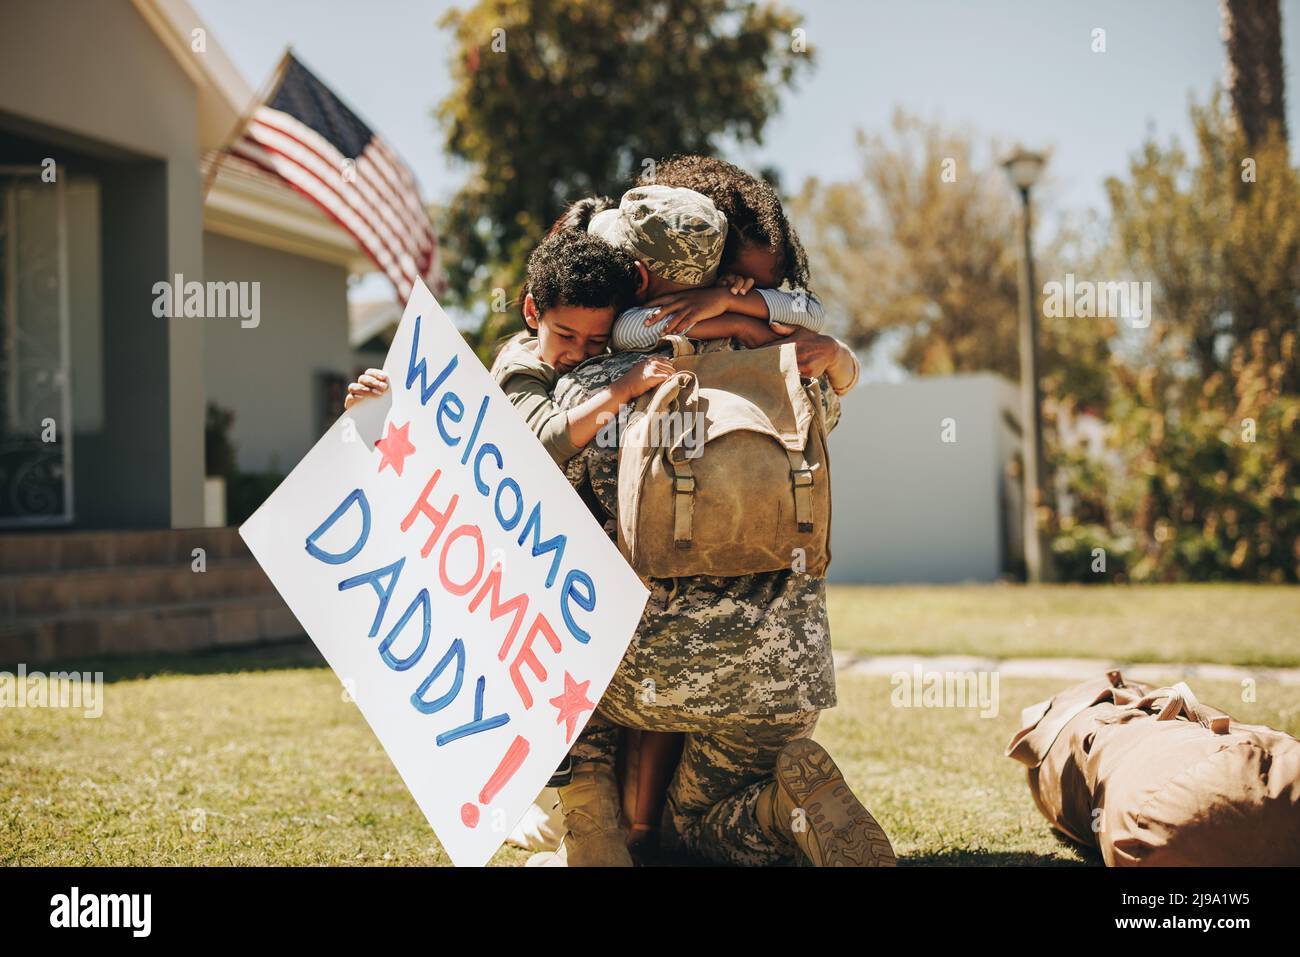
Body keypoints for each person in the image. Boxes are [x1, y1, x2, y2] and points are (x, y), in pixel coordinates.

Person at [547, 158, 890, 867]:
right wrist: (785, 333)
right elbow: (842, 377)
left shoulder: (593, 380)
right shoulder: (800, 375)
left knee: (544, 600)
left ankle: (602, 826)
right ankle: (772, 807)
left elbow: (524, 475)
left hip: (640, 680)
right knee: (708, 819)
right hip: (783, 680)